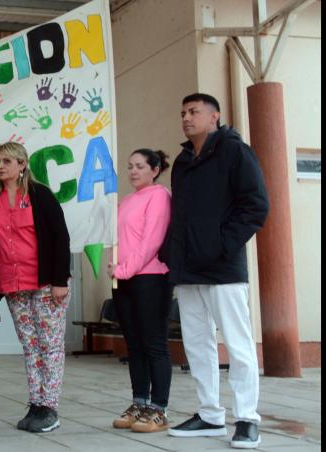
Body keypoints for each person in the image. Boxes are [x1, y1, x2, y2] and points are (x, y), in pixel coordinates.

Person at [164, 93, 269, 449]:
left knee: (238, 345)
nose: (186, 118)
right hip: (188, 268)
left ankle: (246, 419)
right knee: (197, 345)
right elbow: (180, 215)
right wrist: (174, 255)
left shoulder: (235, 152)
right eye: (183, 112)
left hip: (224, 268)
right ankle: (209, 414)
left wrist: (222, 245)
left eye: (194, 112)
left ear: (214, 117)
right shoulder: (182, 161)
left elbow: (256, 206)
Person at [0, 142, 71, 433]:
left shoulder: (40, 195)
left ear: (22, 164)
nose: (1, 166)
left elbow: (60, 237)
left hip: (47, 283)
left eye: (7, 161)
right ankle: (36, 402)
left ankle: (50, 406)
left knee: (50, 346)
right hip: (14, 285)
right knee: (30, 346)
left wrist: (61, 280)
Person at [108, 149, 173, 433]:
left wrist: (124, 270)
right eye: (130, 166)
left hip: (151, 278)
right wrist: (115, 268)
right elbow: (117, 239)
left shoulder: (159, 195)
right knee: (134, 345)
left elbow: (151, 242)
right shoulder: (125, 201)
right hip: (124, 280)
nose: (133, 171)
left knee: (154, 344)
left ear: (155, 169)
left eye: (140, 166)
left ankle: (158, 409)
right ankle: (139, 403)